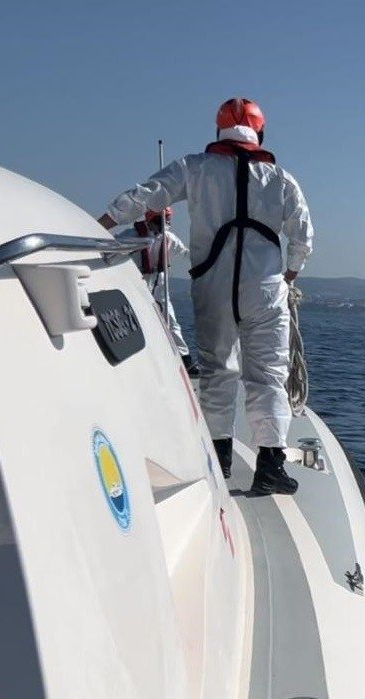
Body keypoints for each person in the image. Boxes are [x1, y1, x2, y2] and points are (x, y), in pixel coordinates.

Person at [97, 97, 314, 495]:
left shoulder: (194, 168)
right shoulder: (281, 180)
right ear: (260, 133)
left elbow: (146, 194)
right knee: (268, 375)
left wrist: (100, 225)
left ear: (219, 132)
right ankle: (270, 466)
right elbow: (302, 236)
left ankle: (221, 458)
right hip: (265, 288)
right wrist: (289, 274)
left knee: (217, 370)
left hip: (211, 284)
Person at [124, 207, 198, 376]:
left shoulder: (169, 239)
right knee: (135, 321)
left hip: (160, 285)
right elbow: (111, 248)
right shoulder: (132, 236)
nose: (166, 224)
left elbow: (186, 253)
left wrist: (208, 255)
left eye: (168, 220)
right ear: (150, 221)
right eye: (161, 220)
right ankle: (138, 361)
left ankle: (186, 361)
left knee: (171, 322)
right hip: (136, 284)